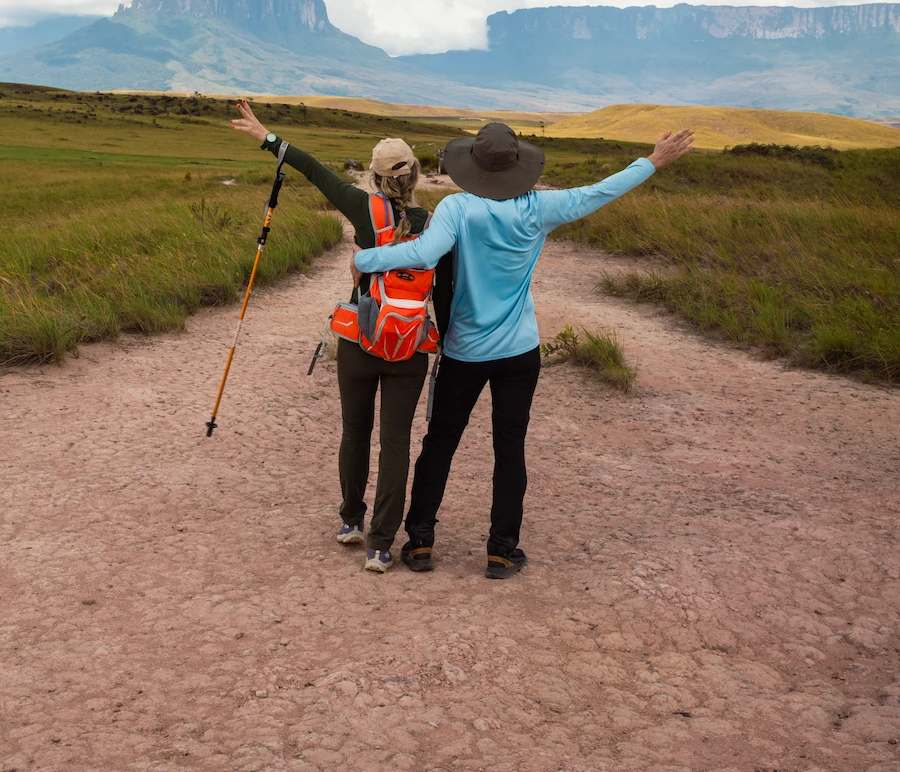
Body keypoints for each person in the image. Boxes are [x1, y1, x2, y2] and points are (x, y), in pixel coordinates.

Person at [354, 121, 694, 580]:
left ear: (472, 165)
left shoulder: (458, 208)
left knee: (440, 444)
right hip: (519, 352)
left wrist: (364, 259)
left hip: (465, 351)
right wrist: (652, 161)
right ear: (517, 166)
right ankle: (501, 551)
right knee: (509, 448)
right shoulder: (539, 207)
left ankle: (420, 542)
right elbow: (598, 192)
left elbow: (423, 254)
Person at [230, 100, 451, 573]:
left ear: (375, 176)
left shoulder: (363, 207)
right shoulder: (436, 223)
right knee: (396, 444)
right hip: (410, 347)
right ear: (415, 174)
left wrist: (267, 137)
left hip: (360, 341)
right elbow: (447, 288)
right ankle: (381, 545)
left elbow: (313, 169)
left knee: (355, 431)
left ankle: (351, 520)